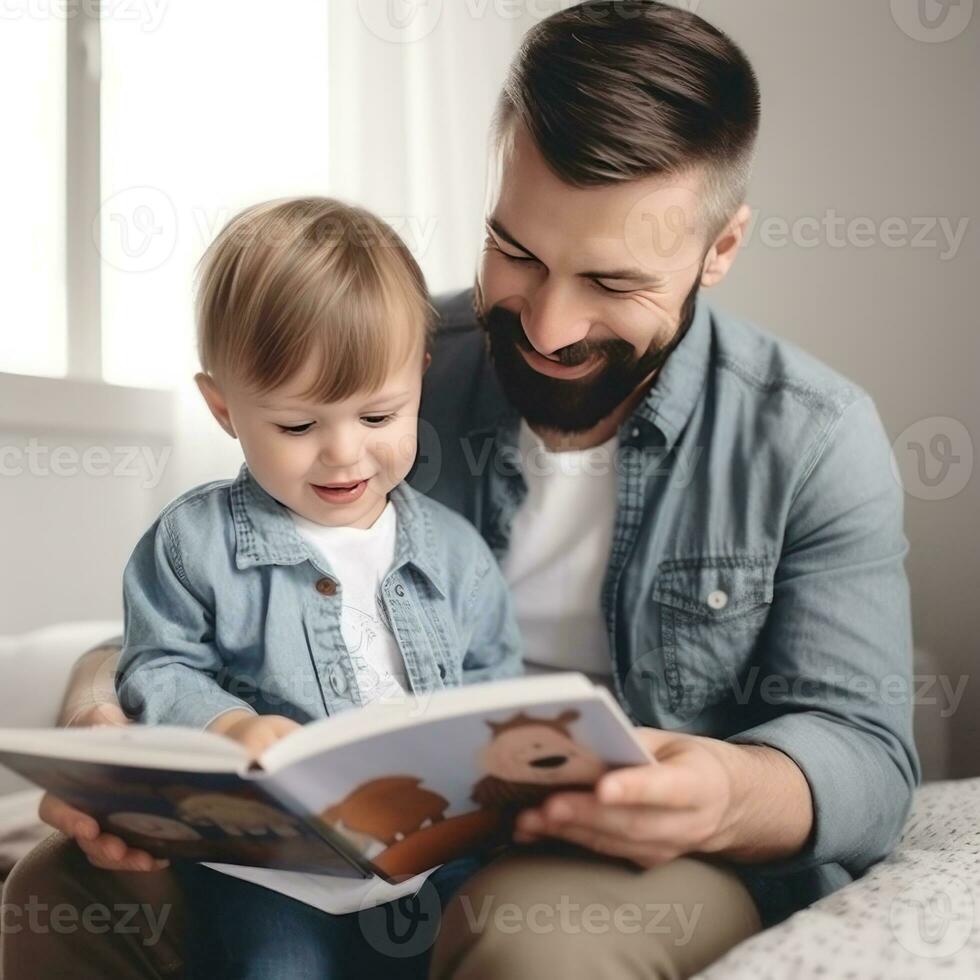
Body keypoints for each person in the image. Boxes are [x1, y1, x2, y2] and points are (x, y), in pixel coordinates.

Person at [2, 3, 919, 979]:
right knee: (60, 885)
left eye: (611, 281)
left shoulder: (810, 433)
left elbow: (864, 748)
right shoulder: (387, 370)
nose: (551, 327)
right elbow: (208, 584)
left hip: (628, 853)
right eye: (516, 253)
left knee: (527, 936)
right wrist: (110, 722)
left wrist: (726, 790)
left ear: (718, 249)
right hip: (343, 839)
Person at [12, 196, 522, 980]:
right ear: (222, 407)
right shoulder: (193, 544)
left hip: (429, 863)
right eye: (297, 427)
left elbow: (493, 682)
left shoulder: (455, 552)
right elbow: (156, 665)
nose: (343, 454)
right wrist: (226, 724)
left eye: (379, 415)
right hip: (270, 879)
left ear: (421, 372)